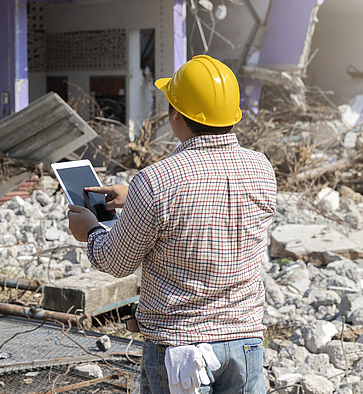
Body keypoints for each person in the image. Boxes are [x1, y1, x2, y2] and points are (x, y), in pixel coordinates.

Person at [67, 55, 277, 394]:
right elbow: (210, 208)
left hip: (180, 351)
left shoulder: (156, 182)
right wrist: (134, 197)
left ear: (176, 115)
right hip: (245, 342)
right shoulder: (261, 169)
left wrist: (90, 230)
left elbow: (116, 262)